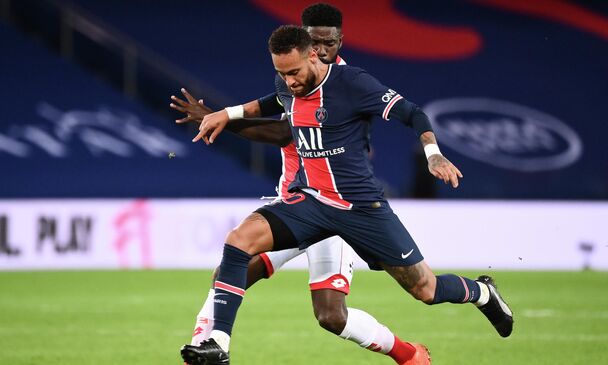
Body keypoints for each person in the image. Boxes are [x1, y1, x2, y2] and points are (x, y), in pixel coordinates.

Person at [180, 25, 513, 365]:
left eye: (294, 72)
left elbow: (412, 113)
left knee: (422, 291)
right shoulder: (288, 82)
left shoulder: (352, 83)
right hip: (310, 202)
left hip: (359, 209)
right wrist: (224, 113)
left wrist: (433, 154)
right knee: (238, 244)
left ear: (315, 54)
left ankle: (482, 293)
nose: (289, 81)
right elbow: (270, 101)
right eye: (282, 73)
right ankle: (214, 345)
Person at [172, 3, 431, 364]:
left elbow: (284, 131)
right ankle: (207, 345)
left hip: (339, 209)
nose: (322, 50)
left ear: (339, 41)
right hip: (297, 203)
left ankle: (408, 354)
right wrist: (224, 115)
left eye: (329, 43)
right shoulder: (294, 75)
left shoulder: (348, 85)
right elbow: (270, 108)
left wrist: (226, 121)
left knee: (331, 316)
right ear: (303, 40)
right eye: (315, 41)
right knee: (234, 263)